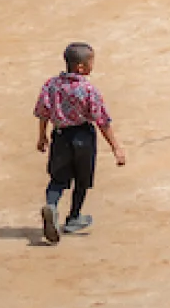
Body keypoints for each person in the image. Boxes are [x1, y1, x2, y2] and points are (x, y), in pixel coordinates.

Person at [34, 42, 123, 244]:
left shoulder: (51, 85)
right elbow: (102, 120)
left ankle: (52, 205)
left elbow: (42, 111)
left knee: (57, 178)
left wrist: (42, 136)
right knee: (82, 180)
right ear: (80, 68)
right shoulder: (88, 89)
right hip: (83, 137)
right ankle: (74, 217)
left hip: (60, 136)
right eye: (91, 62)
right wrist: (116, 147)